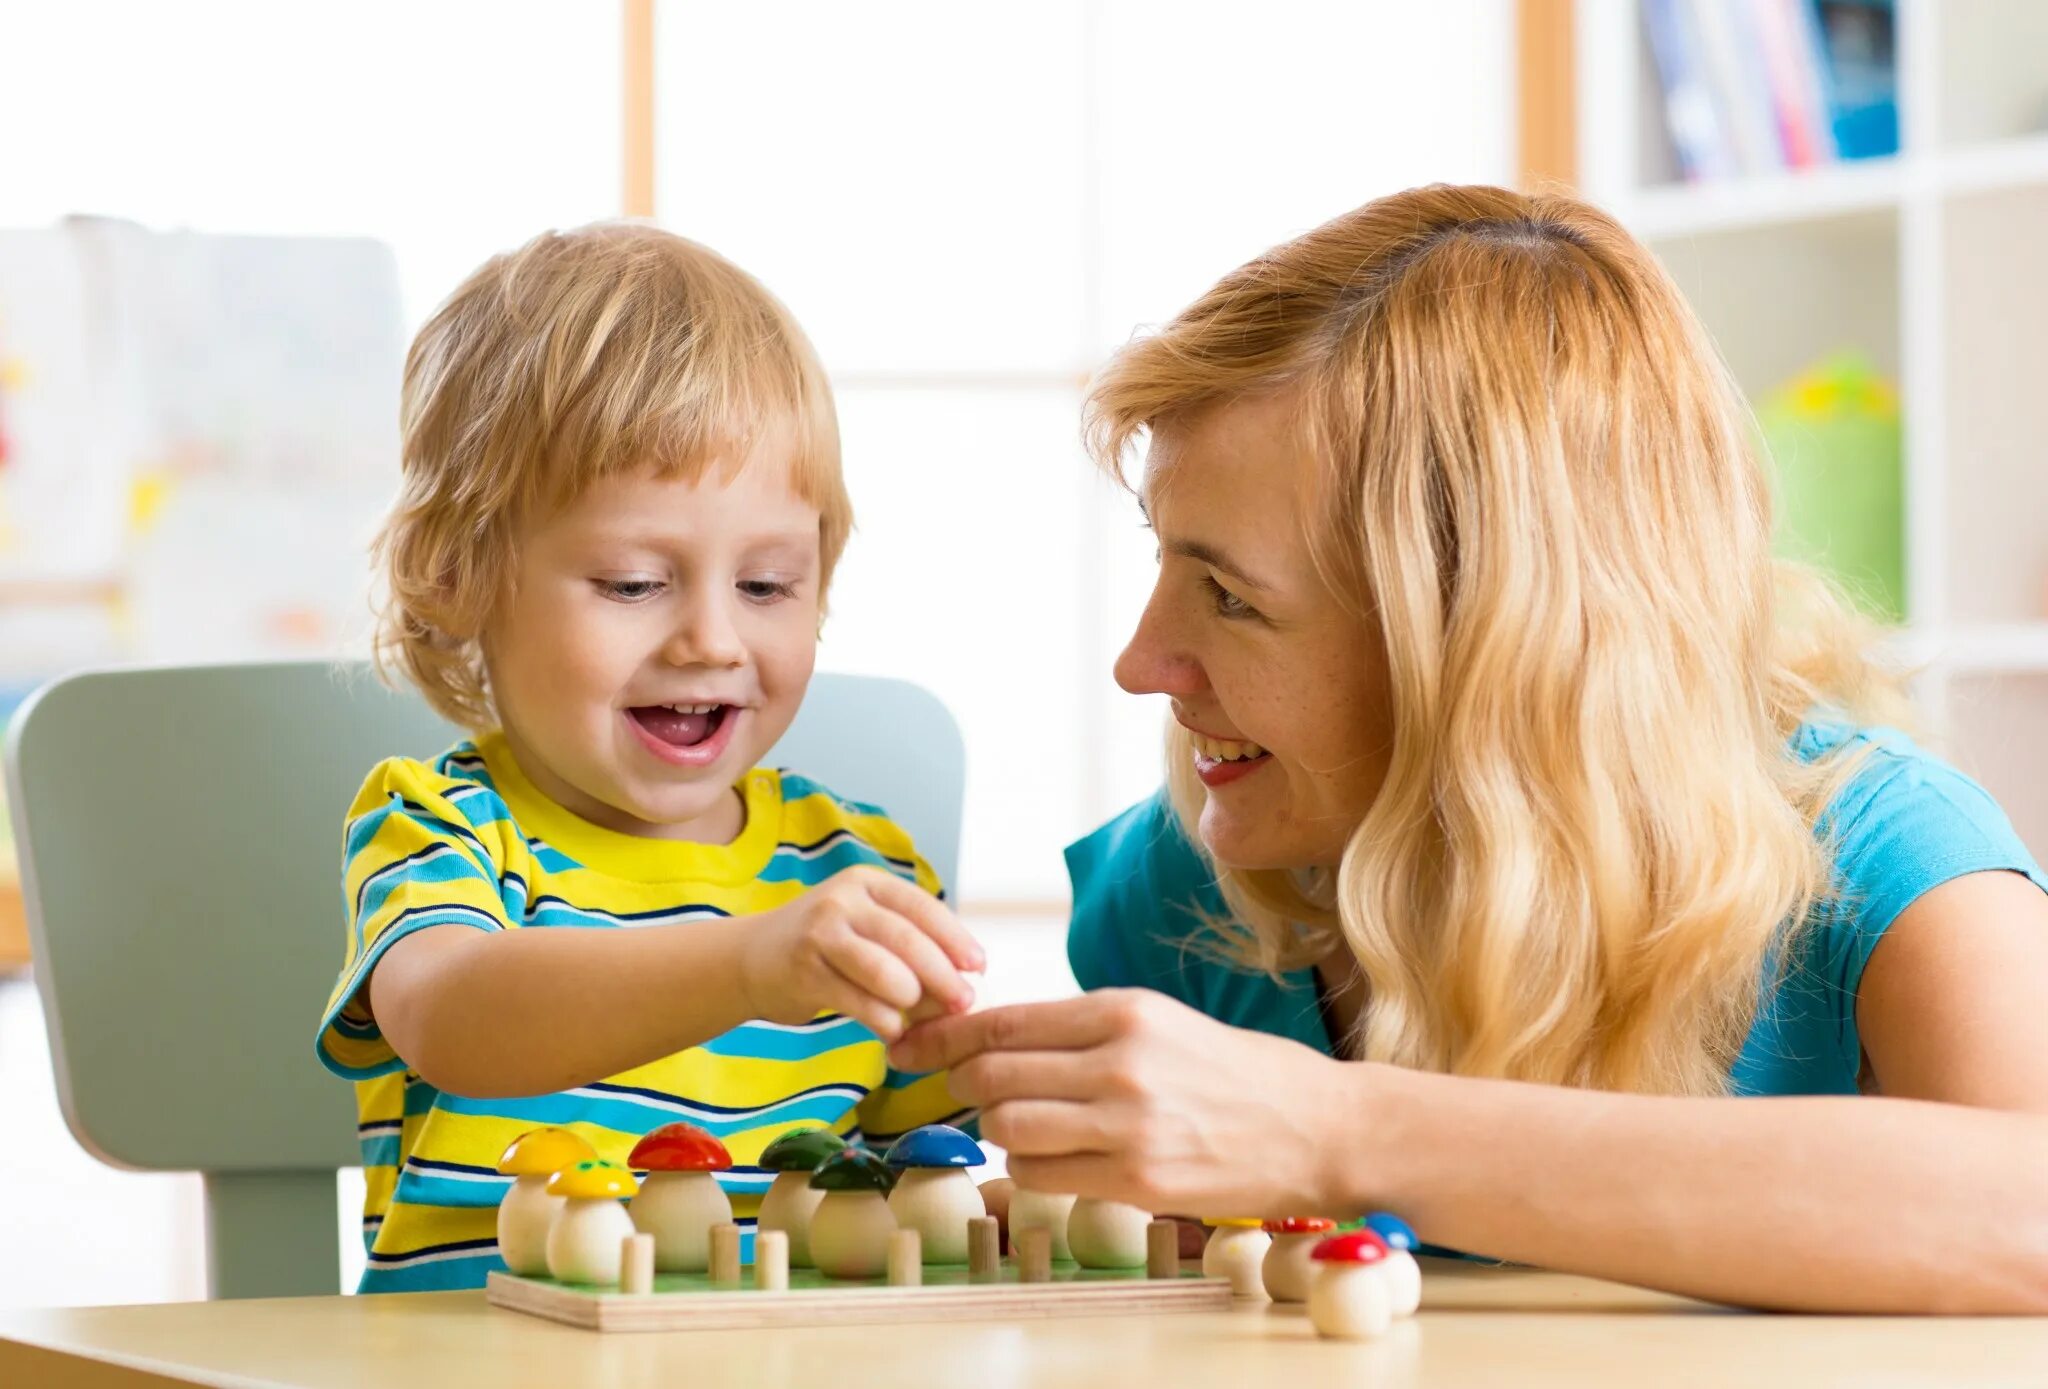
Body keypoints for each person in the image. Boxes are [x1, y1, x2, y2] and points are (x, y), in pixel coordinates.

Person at [898, 184, 2048, 1313]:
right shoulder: (1182, 890)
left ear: (1490, 637)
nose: (1142, 662)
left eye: (1231, 598)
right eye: (1163, 561)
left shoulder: (1884, 857)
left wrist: (1331, 1131)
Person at [316, 224, 981, 1292]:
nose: (711, 640)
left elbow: (935, 1185)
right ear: (453, 576)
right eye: (632, 583)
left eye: (766, 586)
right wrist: (750, 961)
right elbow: (451, 1020)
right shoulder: (443, 827)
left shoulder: (854, 867)